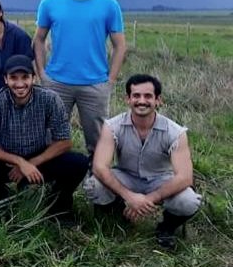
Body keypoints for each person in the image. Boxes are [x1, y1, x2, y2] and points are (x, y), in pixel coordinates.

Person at [84, 74, 202, 249]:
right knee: (94, 186)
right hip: (126, 175)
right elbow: (100, 167)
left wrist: (148, 199)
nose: (142, 101)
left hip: (160, 179)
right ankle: (118, 218)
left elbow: (185, 177)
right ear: (128, 99)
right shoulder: (112, 126)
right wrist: (129, 196)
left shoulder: (175, 131)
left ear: (158, 100)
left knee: (188, 201)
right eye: (136, 96)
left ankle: (166, 228)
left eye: (148, 96)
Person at [0, 55, 89, 223]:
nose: (20, 84)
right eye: (13, 78)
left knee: (79, 162)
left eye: (25, 77)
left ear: (33, 78)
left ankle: (58, 206)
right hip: (6, 161)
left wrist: (32, 162)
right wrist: (19, 162)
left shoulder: (49, 99)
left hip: (39, 157)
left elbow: (65, 141)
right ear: (5, 80)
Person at [33, 0, 127, 155]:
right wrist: (42, 74)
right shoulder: (49, 3)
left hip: (95, 84)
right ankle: (52, 181)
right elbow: (38, 39)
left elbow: (120, 45)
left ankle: (97, 180)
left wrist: (109, 81)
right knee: (51, 137)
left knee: (98, 140)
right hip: (57, 83)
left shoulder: (109, 5)